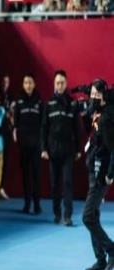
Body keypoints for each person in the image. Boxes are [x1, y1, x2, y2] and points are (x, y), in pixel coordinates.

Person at [41, 70, 81, 226]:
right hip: (52, 150)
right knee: (55, 184)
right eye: (57, 83)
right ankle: (57, 213)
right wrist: (44, 149)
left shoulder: (72, 104)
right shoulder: (49, 104)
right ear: (54, 84)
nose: (60, 85)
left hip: (68, 150)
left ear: (66, 84)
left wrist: (78, 149)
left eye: (62, 83)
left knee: (67, 182)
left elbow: (77, 128)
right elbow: (44, 128)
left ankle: (67, 216)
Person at [82, 79, 114, 270]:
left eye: (96, 95)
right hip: (93, 169)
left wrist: (110, 173)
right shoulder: (97, 112)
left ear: (103, 96)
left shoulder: (107, 117)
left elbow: (113, 147)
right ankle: (100, 259)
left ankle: (111, 250)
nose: (92, 97)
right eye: (91, 94)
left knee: (87, 216)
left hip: (102, 173)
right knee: (93, 214)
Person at [13, 74, 43, 214]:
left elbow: (43, 123)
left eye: (30, 82)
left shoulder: (39, 101)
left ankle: (37, 204)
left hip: (36, 144)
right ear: (23, 85)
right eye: (26, 83)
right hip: (24, 144)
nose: (28, 85)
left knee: (36, 175)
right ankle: (27, 203)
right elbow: (16, 123)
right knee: (26, 175)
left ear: (34, 84)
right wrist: (16, 134)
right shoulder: (19, 101)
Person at [0, 74, 13, 201]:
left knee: (6, 160)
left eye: (7, 81)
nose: (5, 84)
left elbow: (13, 115)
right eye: (3, 81)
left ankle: (1, 187)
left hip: (7, 133)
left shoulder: (10, 97)